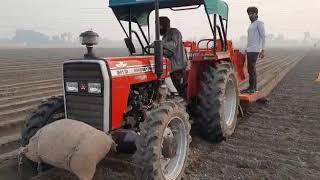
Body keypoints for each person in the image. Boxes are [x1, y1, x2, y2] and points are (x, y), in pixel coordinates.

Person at [159, 16, 187, 96]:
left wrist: (158, 44)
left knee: (176, 91)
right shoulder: (165, 36)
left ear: (163, 25)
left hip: (176, 67)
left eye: (159, 26)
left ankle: (181, 104)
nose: (158, 29)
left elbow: (172, 46)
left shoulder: (174, 32)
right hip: (168, 67)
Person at [242, 7, 266, 94]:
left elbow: (263, 37)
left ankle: (253, 88)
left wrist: (263, 50)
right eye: (249, 14)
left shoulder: (259, 23)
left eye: (252, 13)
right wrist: (246, 48)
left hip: (255, 49)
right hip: (250, 49)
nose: (250, 15)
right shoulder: (251, 25)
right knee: (249, 69)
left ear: (256, 14)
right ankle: (250, 87)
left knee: (252, 68)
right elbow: (250, 39)